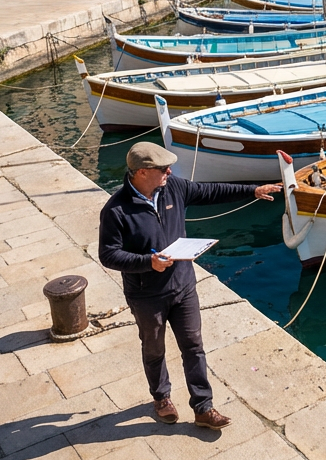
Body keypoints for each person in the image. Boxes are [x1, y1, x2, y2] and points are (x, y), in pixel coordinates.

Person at [99, 142, 281, 429]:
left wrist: (253, 190)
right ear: (143, 172)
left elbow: (211, 191)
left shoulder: (174, 188)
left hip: (183, 287)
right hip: (147, 295)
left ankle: (203, 407)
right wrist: (148, 262)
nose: (169, 171)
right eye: (163, 168)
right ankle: (161, 398)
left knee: (194, 346)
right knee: (154, 348)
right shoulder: (116, 210)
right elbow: (109, 254)